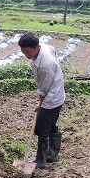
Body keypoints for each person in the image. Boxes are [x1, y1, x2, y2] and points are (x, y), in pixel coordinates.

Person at [18, 32, 65, 169]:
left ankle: (41, 159)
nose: (26, 55)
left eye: (28, 52)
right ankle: (52, 155)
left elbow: (43, 89)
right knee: (50, 124)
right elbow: (53, 49)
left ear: (37, 47)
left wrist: (40, 104)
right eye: (23, 52)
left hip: (52, 98)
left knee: (42, 127)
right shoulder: (44, 47)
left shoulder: (45, 65)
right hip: (57, 94)